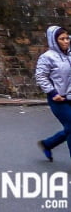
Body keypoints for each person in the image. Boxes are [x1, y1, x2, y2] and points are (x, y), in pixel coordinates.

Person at [35, 26, 71, 162]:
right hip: (59, 99)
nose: (66, 41)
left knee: (69, 128)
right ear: (54, 41)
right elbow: (41, 77)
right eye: (62, 39)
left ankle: (48, 144)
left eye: (67, 38)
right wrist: (53, 92)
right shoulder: (47, 57)